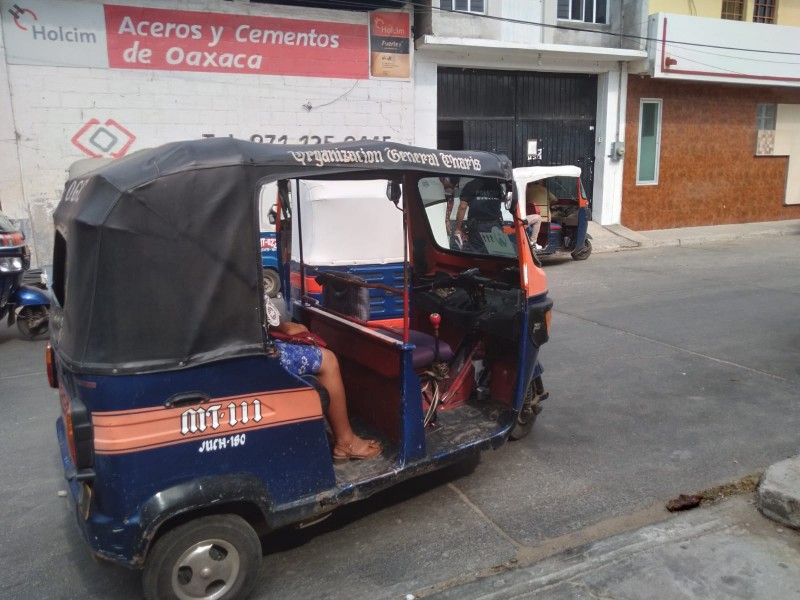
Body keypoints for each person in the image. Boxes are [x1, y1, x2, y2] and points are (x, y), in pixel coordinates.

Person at [264, 295, 382, 462]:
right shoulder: (243, 272)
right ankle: (345, 441)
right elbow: (273, 318)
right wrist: (289, 327)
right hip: (255, 355)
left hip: (236, 351)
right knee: (328, 360)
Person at [453, 177, 504, 253]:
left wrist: (458, 228)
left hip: (478, 228)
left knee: (478, 255)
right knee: (496, 254)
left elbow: (462, 207)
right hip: (495, 225)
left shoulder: (470, 186)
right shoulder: (497, 186)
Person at [526, 180, 555, 251]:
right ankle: (533, 242)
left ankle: (533, 242)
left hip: (532, 217)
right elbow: (555, 200)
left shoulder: (527, 191)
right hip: (546, 219)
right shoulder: (545, 190)